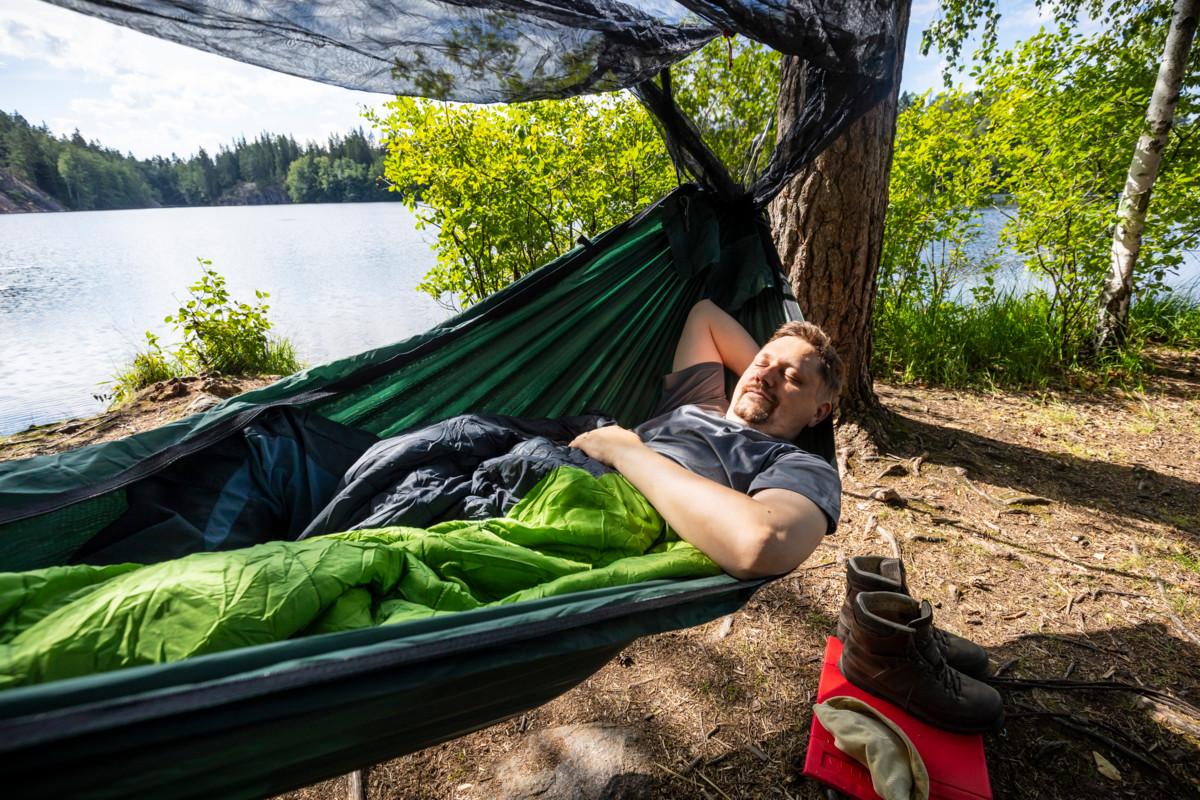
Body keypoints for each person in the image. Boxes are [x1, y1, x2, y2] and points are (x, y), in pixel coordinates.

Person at [570, 299, 843, 580]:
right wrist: (767, 377)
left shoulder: (798, 465)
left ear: (819, 412)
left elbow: (760, 544)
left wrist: (625, 453)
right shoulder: (700, 401)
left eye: (792, 376)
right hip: (552, 456)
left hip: (593, 508)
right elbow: (705, 315)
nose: (764, 375)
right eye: (760, 362)